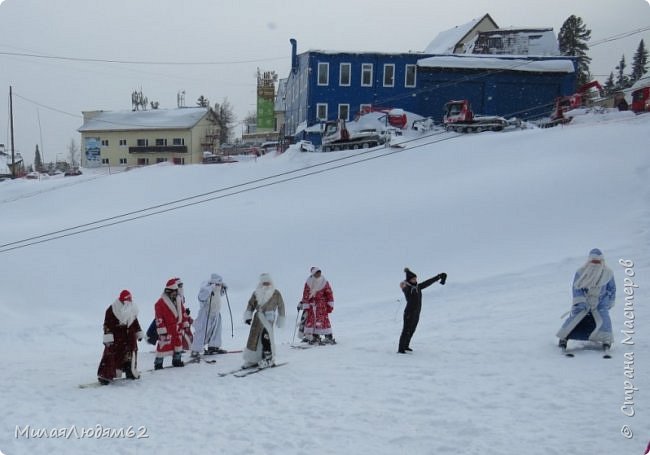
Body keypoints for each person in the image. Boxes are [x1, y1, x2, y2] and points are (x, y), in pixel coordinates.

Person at [556, 248, 616, 352]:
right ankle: (564, 338)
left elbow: (612, 289)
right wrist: (580, 301)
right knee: (574, 319)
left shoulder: (608, 273)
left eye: (598, 261)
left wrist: (607, 302)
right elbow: (576, 288)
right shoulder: (581, 272)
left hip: (600, 304)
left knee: (604, 319)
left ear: (602, 261)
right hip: (584, 303)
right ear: (589, 260)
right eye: (593, 261)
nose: (595, 263)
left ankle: (606, 341)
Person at [97, 290, 144, 385]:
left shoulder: (132, 309)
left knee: (130, 355)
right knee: (111, 355)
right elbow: (107, 324)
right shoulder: (112, 309)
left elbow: (135, 322)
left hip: (130, 337)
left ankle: (130, 372)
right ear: (123, 300)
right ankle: (105, 376)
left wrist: (138, 332)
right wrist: (108, 337)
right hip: (117, 338)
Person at [398, 267, 447, 354]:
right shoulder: (408, 288)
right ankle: (401, 349)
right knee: (406, 330)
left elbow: (427, 282)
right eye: (413, 279)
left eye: (415, 278)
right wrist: (404, 286)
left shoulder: (418, 287)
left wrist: (438, 277)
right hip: (409, 312)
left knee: (412, 329)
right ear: (409, 280)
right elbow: (404, 289)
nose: (415, 280)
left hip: (416, 312)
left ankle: (406, 346)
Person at [242, 273, 286, 368]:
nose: (266, 285)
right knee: (253, 339)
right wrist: (248, 316)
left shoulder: (276, 293)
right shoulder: (256, 293)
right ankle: (252, 359)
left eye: (267, 283)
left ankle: (268, 358)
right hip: (257, 319)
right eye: (264, 283)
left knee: (266, 337)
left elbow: (281, 306)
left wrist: (281, 318)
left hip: (269, 319)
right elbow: (250, 305)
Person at [191, 273, 228, 358]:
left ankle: (213, 347)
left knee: (216, 331)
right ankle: (195, 350)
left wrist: (224, 288)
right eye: (218, 284)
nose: (219, 285)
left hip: (216, 313)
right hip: (206, 314)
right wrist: (209, 289)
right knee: (202, 331)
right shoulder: (206, 288)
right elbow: (201, 297)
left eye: (220, 284)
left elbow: (221, 294)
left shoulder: (217, 289)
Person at [153, 278, 185, 369]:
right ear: (169, 291)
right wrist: (162, 329)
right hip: (167, 329)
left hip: (176, 327)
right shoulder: (160, 303)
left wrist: (184, 323)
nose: (176, 293)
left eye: (176, 291)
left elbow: (182, 312)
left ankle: (177, 361)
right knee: (162, 346)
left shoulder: (178, 300)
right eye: (174, 291)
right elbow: (159, 317)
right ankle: (158, 363)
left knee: (178, 345)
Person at [299, 266, 336, 345]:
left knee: (324, 320)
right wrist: (305, 304)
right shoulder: (309, 282)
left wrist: (330, 304)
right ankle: (315, 337)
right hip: (312, 305)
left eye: (319, 272)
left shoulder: (324, 282)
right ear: (313, 274)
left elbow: (329, 293)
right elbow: (306, 294)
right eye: (317, 273)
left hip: (321, 305)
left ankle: (328, 336)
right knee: (313, 321)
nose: (319, 274)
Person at [175, 277, 194, 352]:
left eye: (181, 285)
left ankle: (186, 347)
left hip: (183, 318)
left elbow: (181, 307)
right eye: (179, 285)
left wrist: (185, 312)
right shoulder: (175, 296)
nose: (181, 287)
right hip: (178, 320)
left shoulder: (181, 296)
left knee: (186, 333)